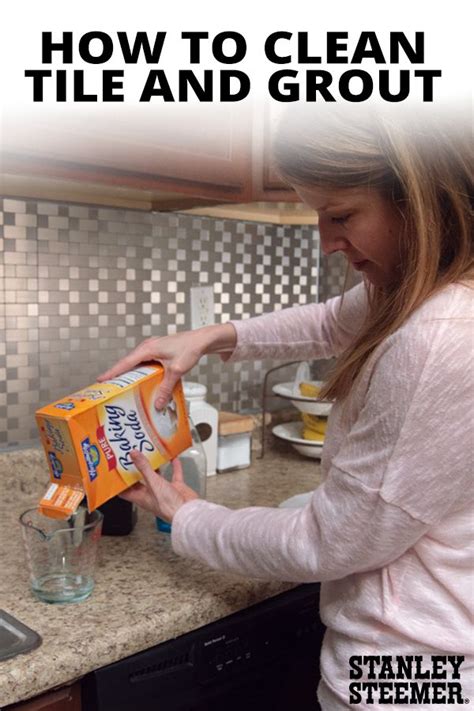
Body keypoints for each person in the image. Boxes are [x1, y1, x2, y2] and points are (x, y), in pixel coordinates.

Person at [98, 106, 473, 709]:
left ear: (419, 196)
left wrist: (188, 516)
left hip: (408, 679)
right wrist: (209, 338)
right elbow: (330, 321)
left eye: (341, 214)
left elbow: (329, 543)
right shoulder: (429, 291)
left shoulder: (438, 336)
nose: (326, 242)